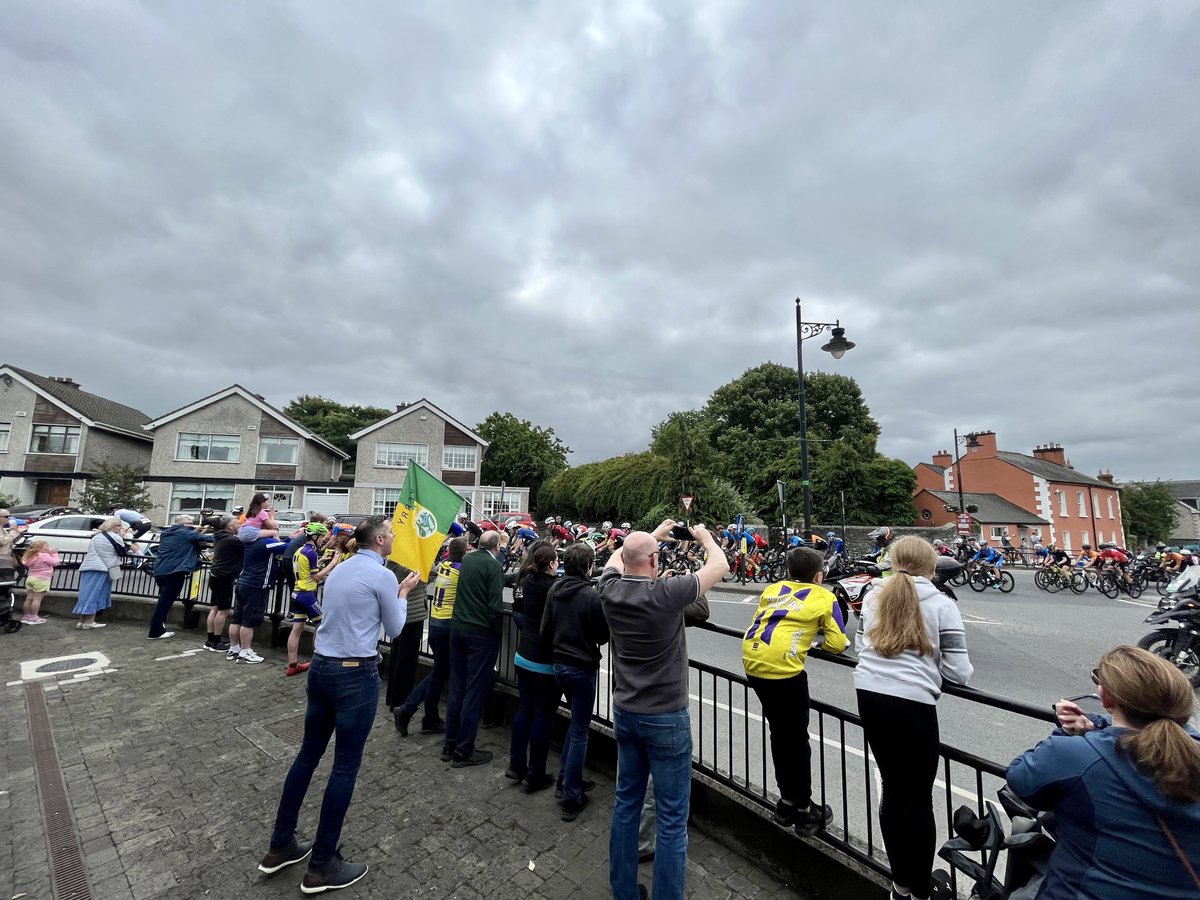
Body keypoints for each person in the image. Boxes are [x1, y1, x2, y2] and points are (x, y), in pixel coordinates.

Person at [257, 516, 420, 893]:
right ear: (379, 540)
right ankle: (322, 865)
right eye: (390, 533)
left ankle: (280, 844)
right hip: (355, 673)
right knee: (344, 766)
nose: (394, 536)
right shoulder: (382, 575)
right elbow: (395, 629)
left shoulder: (342, 568)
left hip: (322, 667)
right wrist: (402, 593)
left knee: (307, 755)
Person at [1007, 646, 1200, 899]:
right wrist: (1098, 725)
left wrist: (1066, 733)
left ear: (1106, 699)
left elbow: (1020, 778)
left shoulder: (1079, 756)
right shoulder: (1191, 751)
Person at [599, 520, 728, 900]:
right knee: (672, 819)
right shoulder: (668, 593)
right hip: (666, 718)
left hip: (625, 711)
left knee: (626, 803)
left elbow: (614, 560)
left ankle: (623, 891)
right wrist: (704, 538)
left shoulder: (608, 589)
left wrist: (651, 536)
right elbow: (720, 565)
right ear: (655, 561)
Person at [853, 536, 973, 900]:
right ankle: (921, 891)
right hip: (913, 702)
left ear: (892, 562)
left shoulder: (873, 595)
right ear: (933, 568)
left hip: (869, 694)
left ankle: (900, 886)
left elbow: (860, 645)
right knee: (918, 797)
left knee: (892, 788)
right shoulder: (941, 604)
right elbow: (959, 672)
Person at [742, 547, 849, 834]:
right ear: (819, 576)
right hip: (784, 669)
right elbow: (838, 643)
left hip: (753, 661)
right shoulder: (824, 596)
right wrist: (817, 644)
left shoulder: (773, 588)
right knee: (797, 739)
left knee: (780, 733)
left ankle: (786, 802)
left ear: (789, 571)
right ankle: (804, 809)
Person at [442, 529, 505, 767]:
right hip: (480, 633)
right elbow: (495, 605)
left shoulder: (467, 559)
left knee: (457, 687)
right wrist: (496, 631)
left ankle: (450, 743)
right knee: (475, 690)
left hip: (457, 627)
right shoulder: (493, 566)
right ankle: (464, 750)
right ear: (497, 547)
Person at [393, 537, 467, 736]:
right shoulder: (461, 571)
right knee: (441, 672)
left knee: (440, 671)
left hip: (436, 622)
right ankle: (415, 711)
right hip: (448, 625)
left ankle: (422, 714)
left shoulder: (445, 566)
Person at [506, 543, 561, 793]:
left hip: (523, 655)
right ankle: (536, 773)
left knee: (524, 709)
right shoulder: (554, 588)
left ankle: (516, 764)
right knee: (543, 715)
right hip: (544, 660)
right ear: (551, 564)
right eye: (556, 560)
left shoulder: (528, 582)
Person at [148, 514, 214, 640]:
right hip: (175, 571)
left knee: (163, 600)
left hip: (160, 570)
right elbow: (208, 538)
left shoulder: (167, 533)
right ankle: (156, 631)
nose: (191, 526)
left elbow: (189, 538)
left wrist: (199, 530)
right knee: (165, 602)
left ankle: (159, 625)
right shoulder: (185, 533)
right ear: (182, 524)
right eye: (189, 524)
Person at [227, 534, 288, 664]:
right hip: (256, 585)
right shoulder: (266, 543)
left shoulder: (251, 541)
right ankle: (245, 652)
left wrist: (290, 537)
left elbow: (280, 544)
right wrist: (299, 537)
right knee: (249, 621)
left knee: (237, 618)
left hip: (243, 582)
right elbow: (288, 547)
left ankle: (234, 648)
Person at [286, 523, 333, 676]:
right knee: (321, 626)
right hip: (307, 594)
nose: (323, 540)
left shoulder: (300, 550)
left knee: (297, 629)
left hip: (297, 593)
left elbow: (305, 569)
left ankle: (292, 664)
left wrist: (321, 560)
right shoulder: (311, 552)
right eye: (322, 537)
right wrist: (332, 563)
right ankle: (317, 663)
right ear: (314, 536)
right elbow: (317, 576)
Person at [383, 557, 428, 710]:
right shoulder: (412, 562)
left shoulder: (394, 559)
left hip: (401, 611)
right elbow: (430, 574)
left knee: (397, 655)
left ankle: (392, 697)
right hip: (413, 614)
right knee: (407, 660)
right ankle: (401, 702)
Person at [73, 517, 128, 629]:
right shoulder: (116, 537)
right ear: (112, 526)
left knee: (86, 593)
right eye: (118, 525)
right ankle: (89, 621)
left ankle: (81, 621)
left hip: (88, 565)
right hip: (102, 567)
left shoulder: (97, 536)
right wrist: (128, 538)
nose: (121, 527)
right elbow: (123, 551)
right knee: (96, 593)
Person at [204, 516, 243, 652]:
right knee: (223, 610)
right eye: (237, 524)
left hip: (215, 574)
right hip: (224, 577)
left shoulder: (219, 537)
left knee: (214, 608)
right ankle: (217, 642)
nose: (240, 525)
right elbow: (249, 545)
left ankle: (210, 639)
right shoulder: (233, 540)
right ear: (230, 527)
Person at [20, 539, 59, 624]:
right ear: (41, 548)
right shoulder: (44, 556)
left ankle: (26, 616)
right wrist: (54, 553)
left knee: (29, 598)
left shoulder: (31, 555)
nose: (48, 548)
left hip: (30, 578)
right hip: (42, 579)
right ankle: (34, 616)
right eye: (46, 546)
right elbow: (55, 563)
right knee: (37, 599)